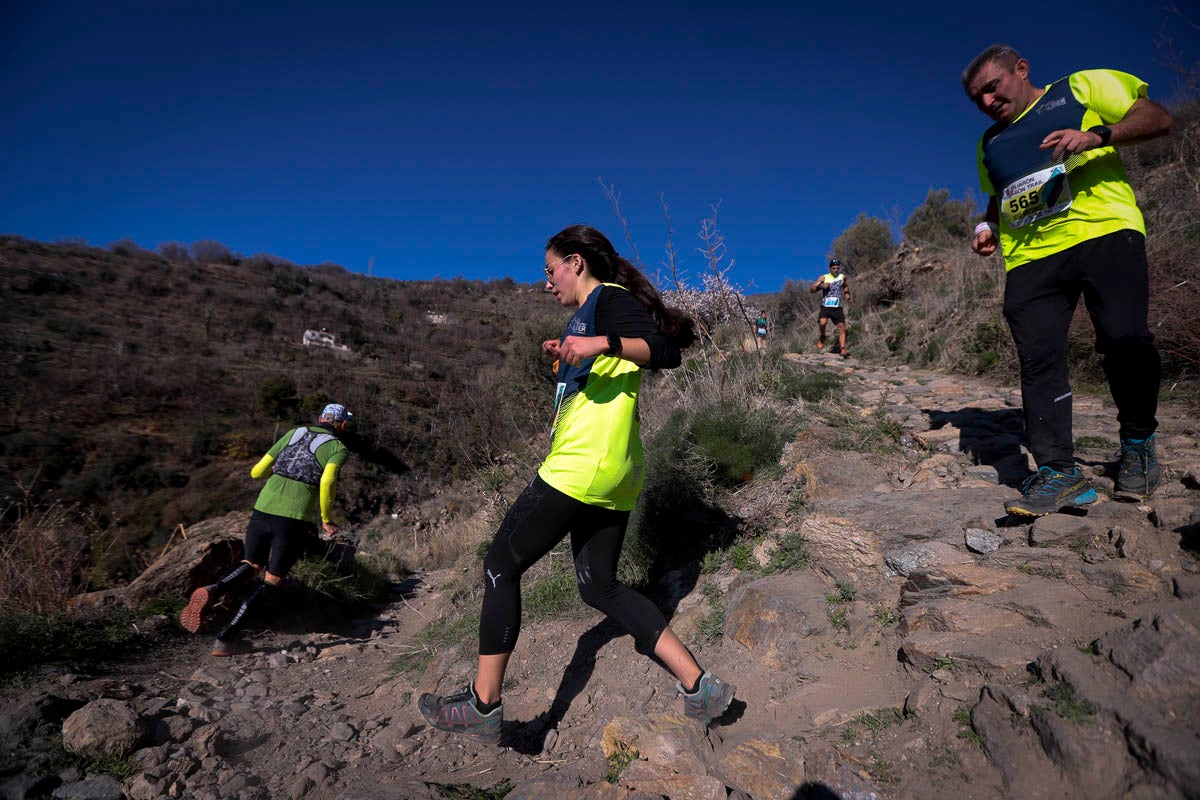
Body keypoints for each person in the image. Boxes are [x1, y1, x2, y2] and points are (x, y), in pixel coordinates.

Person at [417, 225, 735, 745]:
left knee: (500, 565)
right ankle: (700, 687)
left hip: (581, 465)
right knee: (598, 586)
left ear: (576, 262)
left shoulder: (609, 300)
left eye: (550, 270)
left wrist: (596, 342)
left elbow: (666, 351)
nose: (547, 282)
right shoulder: (590, 314)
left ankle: (482, 704)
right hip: (615, 470)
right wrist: (574, 352)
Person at [963, 45, 1172, 516]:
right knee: (1037, 360)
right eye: (978, 98)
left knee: (1124, 336)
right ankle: (1059, 472)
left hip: (1103, 231)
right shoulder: (989, 143)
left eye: (992, 88)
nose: (987, 102)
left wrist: (1099, 135)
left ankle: (1138, 442)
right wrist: (987, 227)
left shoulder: (1080, 87)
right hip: (1031, 257)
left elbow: (1158, 118)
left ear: (1022, 69)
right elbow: (1000, 195)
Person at [180, 403, 353, 655]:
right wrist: (326, 518)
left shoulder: (293, 433)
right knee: (272, 579)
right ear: (343, 424)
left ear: (320, 418)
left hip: (263, 507)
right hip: (293, 517)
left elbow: (256, 472)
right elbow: (327, 481)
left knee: (251, 563)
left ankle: (213, 589)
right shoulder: (338, 448)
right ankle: (226, 640)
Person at [810, 258, 850, 357]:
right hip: (825, 306)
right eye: (833, 268)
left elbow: (845, 286)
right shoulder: (824, 277)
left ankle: (843, 349)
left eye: (837, 268)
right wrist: (821, 286)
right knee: (822, 323)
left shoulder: (842, 277)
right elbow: (812, 289)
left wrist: (847, 293)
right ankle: (823, 336)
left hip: (837, 307)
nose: (836, 270)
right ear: (830, 268)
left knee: (841, 327)